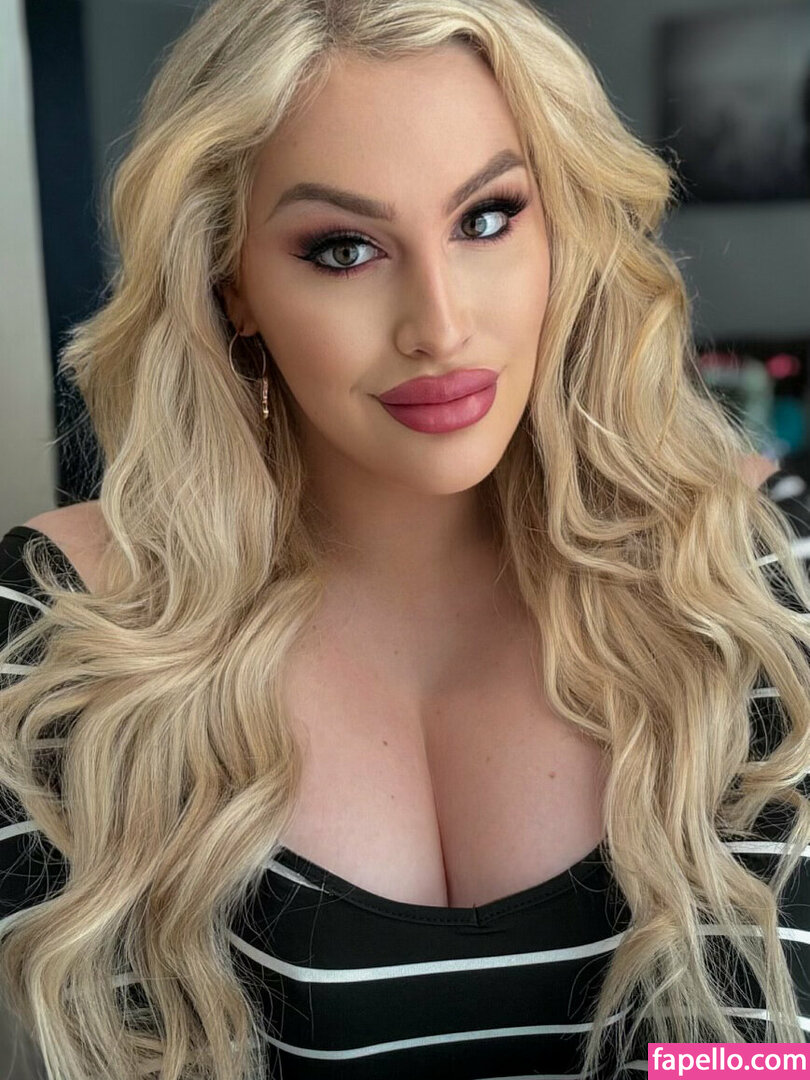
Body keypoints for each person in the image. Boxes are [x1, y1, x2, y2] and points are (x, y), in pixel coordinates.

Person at [1, 1, 810, 1078]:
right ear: (232, 285)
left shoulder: (764, 574)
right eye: (344, 249)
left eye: (487, 219)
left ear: (560, 228)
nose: (439, 324)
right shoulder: (60, 635)